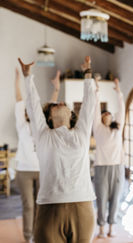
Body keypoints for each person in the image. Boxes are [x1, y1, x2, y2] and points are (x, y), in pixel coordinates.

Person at [19, 56, 97, 243]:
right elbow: (32, 105)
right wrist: (27, 76)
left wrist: (88, 73)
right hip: (49, 206)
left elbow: (89, 104)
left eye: (65, 105)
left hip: (82, 205)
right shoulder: (44, 135)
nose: (60, 103)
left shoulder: (81, 133)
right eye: (55, 105)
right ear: (49, 116)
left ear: (71, 115)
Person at [14, 68, 60, 242]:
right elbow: (19, 100)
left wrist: (56, 88)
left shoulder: (43, 126)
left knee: (41, 205)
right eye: (26, 110)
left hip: (42, 170)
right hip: (24, 171)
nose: (27, 111)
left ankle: (39, 235)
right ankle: (28, 237)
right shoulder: (21, 126)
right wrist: (17, 80)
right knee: (28, 206)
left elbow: (51, 105)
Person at [93, 77, 125, 238]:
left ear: (112, 118)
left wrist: (118, 91)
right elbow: (95, 108)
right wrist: (96, 88)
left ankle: (111, 228)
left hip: (117, 168)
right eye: (104, 112)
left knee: (115, 200)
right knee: (101, 200)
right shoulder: (98, 129)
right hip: (101, 169)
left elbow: (122, 109)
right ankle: (100, 228)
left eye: (108, 113)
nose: (106, 113)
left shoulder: (117, 129)